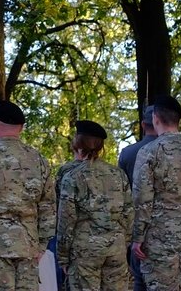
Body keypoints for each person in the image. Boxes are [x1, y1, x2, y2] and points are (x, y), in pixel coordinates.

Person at [0, 99, 56, 291]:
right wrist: (41, 245)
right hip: (28, 247)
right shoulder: (38, 159)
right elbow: (48, 205)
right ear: (21, 128)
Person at [131, 95, 181, 291]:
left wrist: (137, 237)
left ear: (155, 118)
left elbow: (142, 199)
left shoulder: (149, 152)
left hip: (161, 237)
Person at [56, 120, 132, 291]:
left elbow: (66, 220)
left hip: (85, 250)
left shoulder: (72, 176)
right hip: (116, 247)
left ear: (78, 142)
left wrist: (63, 256)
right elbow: (129, 212)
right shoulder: (118, 174)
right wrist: (123, 242)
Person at [118, 105, 158, 291]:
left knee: (140, 280)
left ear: (143, 124)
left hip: (138, 227)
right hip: (173, 228)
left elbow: (122, 193)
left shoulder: (128, 153)